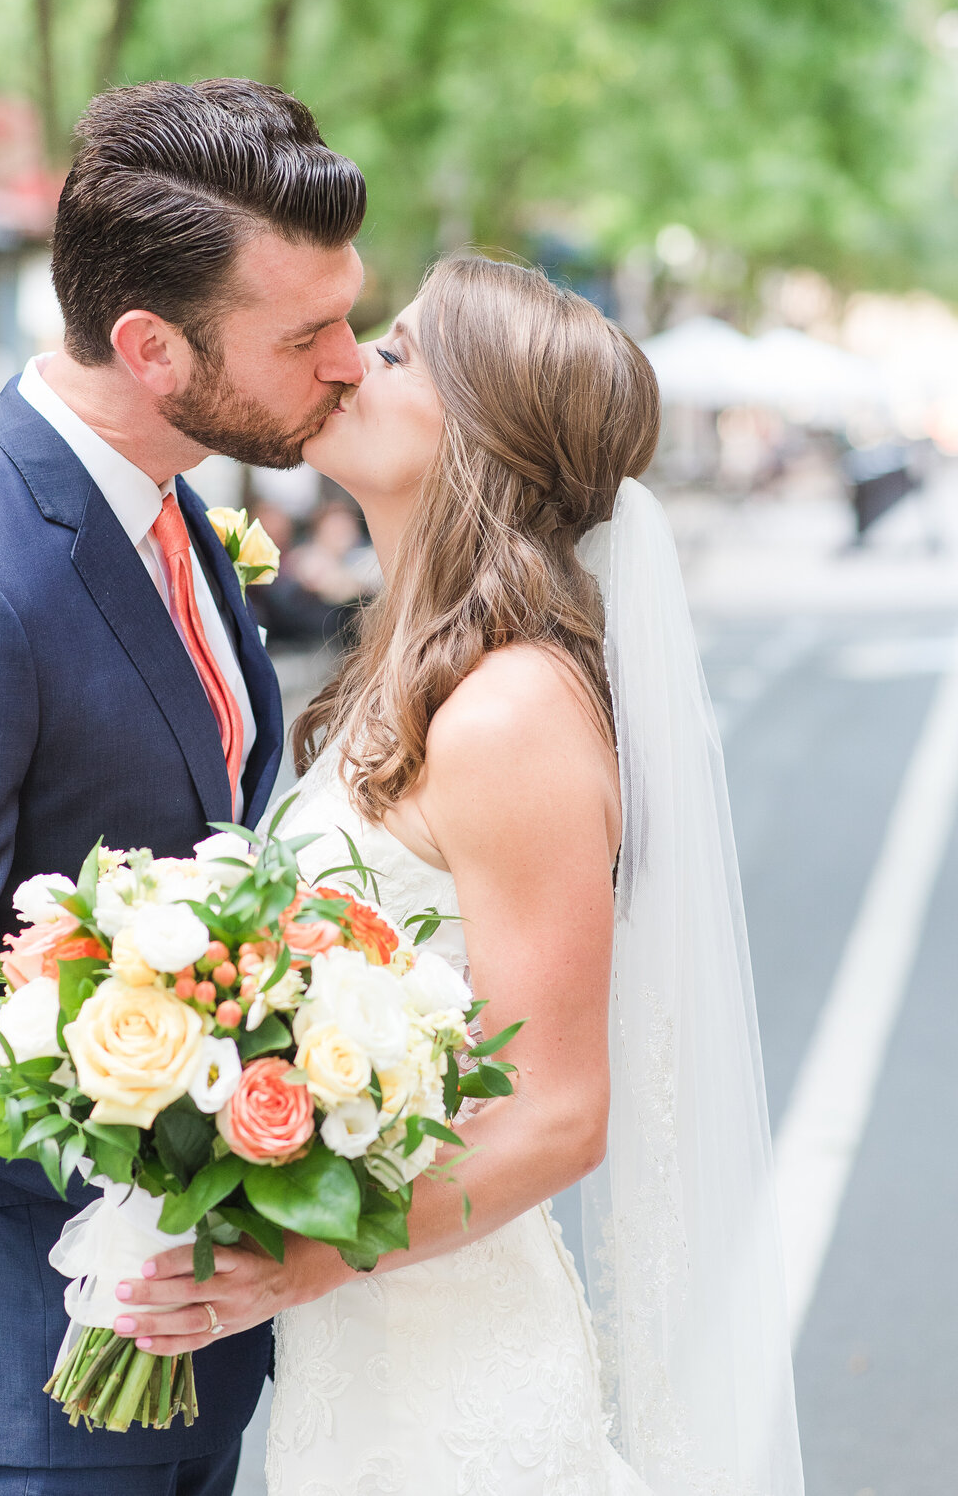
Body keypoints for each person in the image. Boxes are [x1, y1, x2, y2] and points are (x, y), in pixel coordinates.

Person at [118, 256, 805, 1495]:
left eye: (396, 352)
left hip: (454, 1381)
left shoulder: (509, 710)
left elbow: (556, 1111)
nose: (344, 363)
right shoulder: (413, 677)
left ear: (482, 432)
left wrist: (299, 1263)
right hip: (363, 1361)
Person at [0, 78, 366, 1496]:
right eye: (307, 334)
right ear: (149, 345)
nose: (351, 362)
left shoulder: (173, 504)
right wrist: (201, 1142)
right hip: (35, 1369)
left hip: (192, 1346)